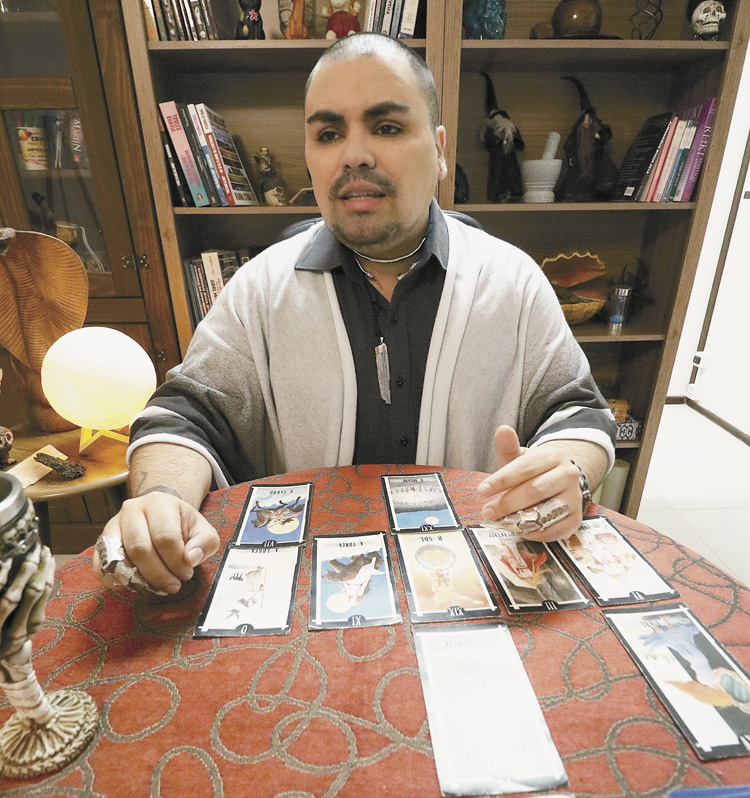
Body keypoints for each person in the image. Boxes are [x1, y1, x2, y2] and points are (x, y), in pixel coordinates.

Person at [93, 33, 615, 595]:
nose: (354, 155)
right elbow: (185, 417)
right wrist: (160, 499)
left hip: (468, 584)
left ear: (440, 150)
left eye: (387, 127)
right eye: (328, 134)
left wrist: (568, 470)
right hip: (303, 593)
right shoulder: (259, 290)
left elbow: (578, 413)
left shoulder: (513, 282)